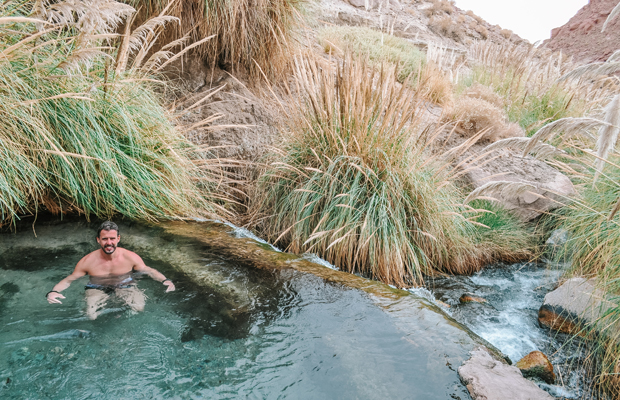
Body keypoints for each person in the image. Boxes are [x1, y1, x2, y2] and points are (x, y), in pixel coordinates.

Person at [46, 221, 175, 320]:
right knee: (91, 316)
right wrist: (53, 292)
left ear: (118, 239)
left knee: (139, 308)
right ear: (98, 240)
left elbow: (149, 271)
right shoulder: (87, 261)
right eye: (105, 239)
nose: (109, 243)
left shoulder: (130, 257)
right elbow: (69, 280)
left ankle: (120, 320)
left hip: (125, 285)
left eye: (112, 238)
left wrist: (165, 280)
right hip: (97, 287)